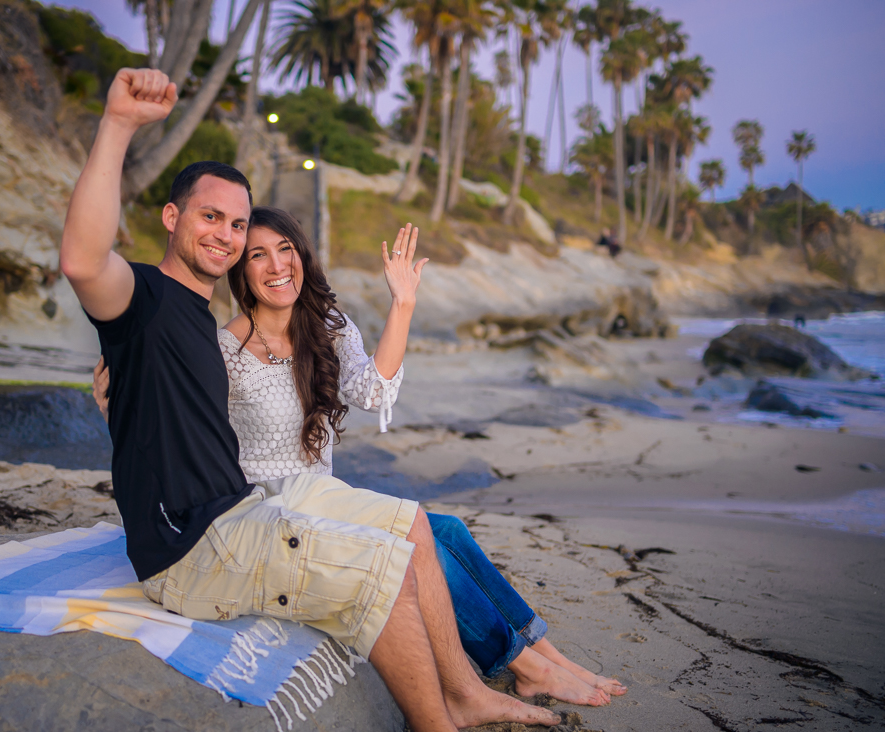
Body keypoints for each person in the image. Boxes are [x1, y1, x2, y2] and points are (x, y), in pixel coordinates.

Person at [60, 66, 560, 731]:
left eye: (238, 224)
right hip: (196, 546)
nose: (226, 234)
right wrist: (119, 125)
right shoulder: (146, 299)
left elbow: (172, 416)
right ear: (173, 217)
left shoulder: (198, 322)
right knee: (387, 565)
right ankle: (451, 711)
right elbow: (85, 261)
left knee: (422, 531)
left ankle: (481, 683)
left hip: (232, 517)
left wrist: (117, 408)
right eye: (213, 218)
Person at [95, 206, 626, 705]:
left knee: (447, 533)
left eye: (286, 249)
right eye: (257, 254)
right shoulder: (223, 351)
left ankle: (544, 652)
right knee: (427, 551)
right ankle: (525, 666)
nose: (277, 266)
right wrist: (115, 410)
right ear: (241, 270)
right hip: (268, 508)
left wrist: (403, 304)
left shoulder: (327, 327)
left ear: (302, 255)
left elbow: (372, 391)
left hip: (325, 495)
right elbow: (175, 431)